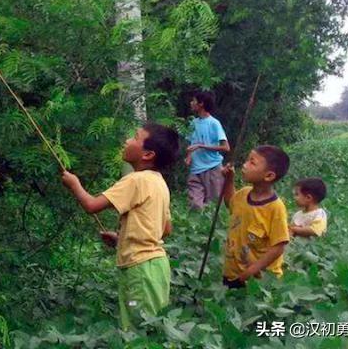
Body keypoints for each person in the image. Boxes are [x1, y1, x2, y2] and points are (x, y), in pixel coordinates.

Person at [61, 123, 180, 330]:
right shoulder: (159, 182)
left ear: (148, 154)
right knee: (145, 324)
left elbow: (91, 205)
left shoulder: (136, 180)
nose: (127, 141)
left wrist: (74, 184)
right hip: (153, 268)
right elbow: (165, 229)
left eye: (135, 137)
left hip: (140, 272)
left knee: (139, 328)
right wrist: (122, 239)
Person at [221, 145, 290, 289]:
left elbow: (278, 247)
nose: (245, 165)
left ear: (269, 176)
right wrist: (228, 179)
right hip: (233, 271)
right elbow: (230, 203)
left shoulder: (275, 208)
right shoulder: (244, 193)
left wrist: (252, 270)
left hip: (260, 281)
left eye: (252, 162)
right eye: (247, 160)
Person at [185, 91, 230, 210]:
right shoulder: (193, 123)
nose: (191, 103)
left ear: (201, 104)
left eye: (194, 100)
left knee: (214, 206)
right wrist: (189, 156)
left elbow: (226, 147)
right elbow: (191, 143)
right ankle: (196, 227)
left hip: (213, 168)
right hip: (195, 169)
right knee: (195, 205)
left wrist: (202, 146)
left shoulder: (214, 123)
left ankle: (213, 228)